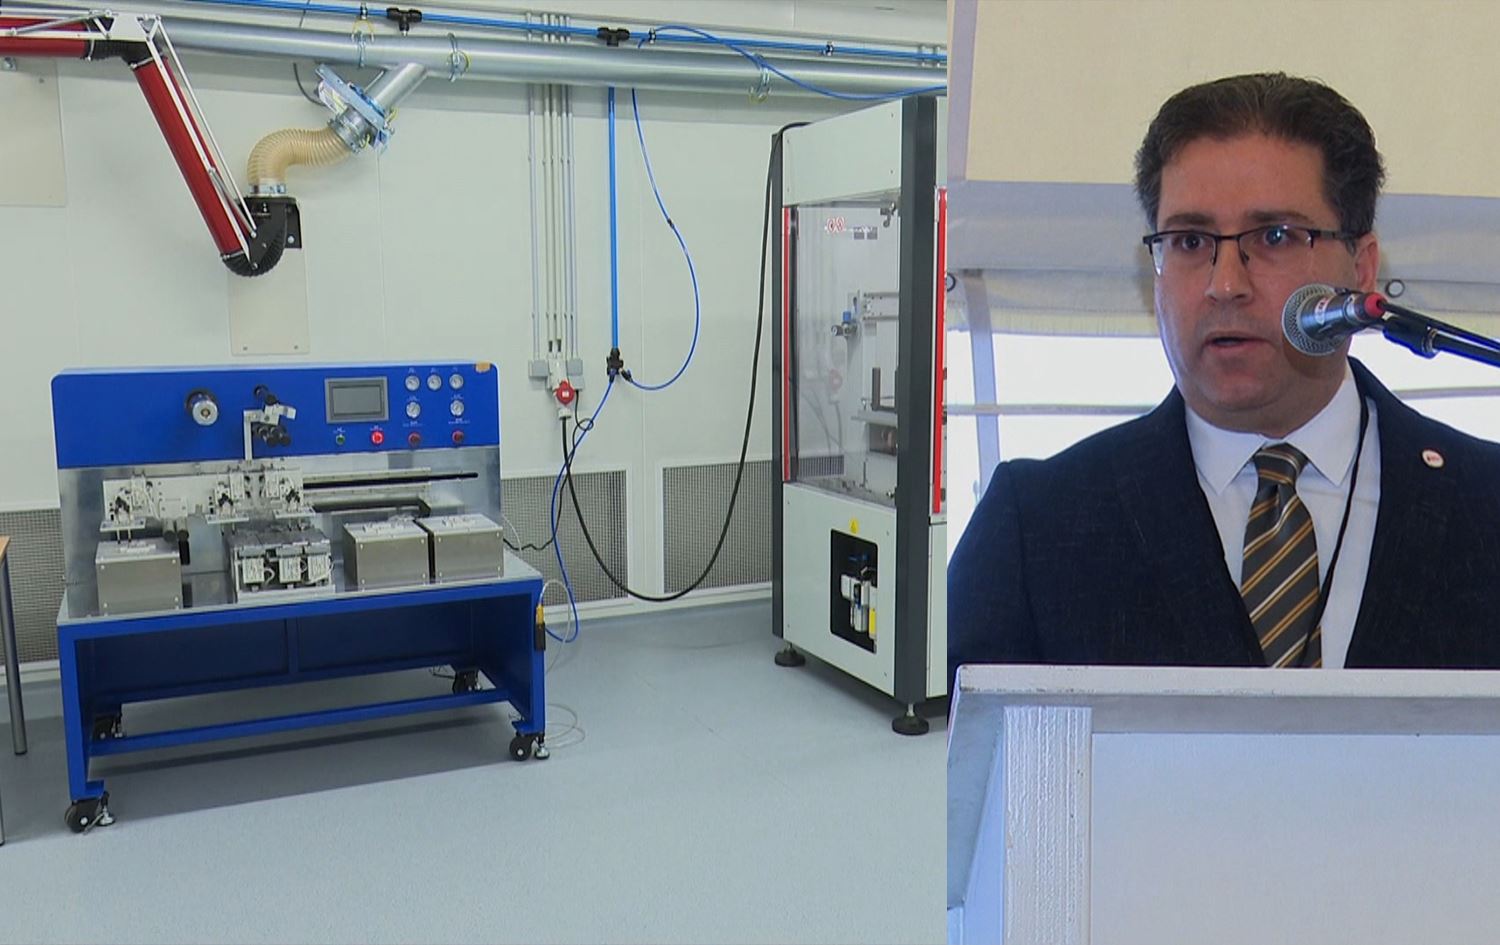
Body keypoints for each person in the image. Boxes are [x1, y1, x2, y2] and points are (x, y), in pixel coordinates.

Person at [947, 72, 1500, 676]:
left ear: (1362, 269)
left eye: (1275, 236)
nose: (1226, 284)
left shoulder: (1485, 504)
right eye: (1189, 241)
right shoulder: (1036, 527)